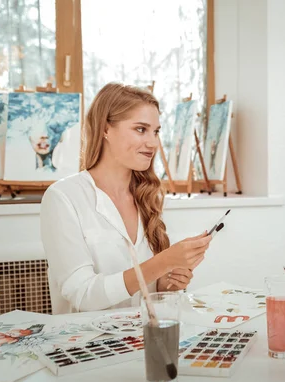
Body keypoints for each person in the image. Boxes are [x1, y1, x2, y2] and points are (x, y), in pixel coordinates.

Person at [41, 83, 212, 314]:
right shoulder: (63, 197)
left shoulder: (147, 196)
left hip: (142, 339)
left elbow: (147, 294)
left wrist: (164, 285)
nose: (153, 143)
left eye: (156, 131)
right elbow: (82, 294)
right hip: (86, 343)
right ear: (105, 129)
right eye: (141, 129)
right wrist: (162, 263)